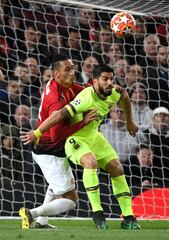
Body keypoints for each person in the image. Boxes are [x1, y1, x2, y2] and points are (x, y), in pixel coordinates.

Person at [21, 64, 140, 230]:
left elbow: (125, 98)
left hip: (94, 136)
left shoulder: (113, 92)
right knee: (90, 162)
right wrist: (38, 132)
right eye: (105, 79)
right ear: (94, 81)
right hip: (75, 139)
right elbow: (60, 114)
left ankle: (128, 217)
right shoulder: (85, 97)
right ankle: (98, 214)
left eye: (111, 78)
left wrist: (129, 121)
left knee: (117, 168)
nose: (109, 82)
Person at [18, 54, 95, 229]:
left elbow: (83, 91)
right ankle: (31, 213)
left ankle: (41, 222)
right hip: (50, 152)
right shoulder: (57, 101)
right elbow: (56, 136)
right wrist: (83, 123)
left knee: (55, 185)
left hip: (46, 149)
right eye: (67, 70)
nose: (72, 73)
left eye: (73, 68)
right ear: (56, 74)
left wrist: (99, 90)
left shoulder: (58, 85)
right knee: (71, 200)